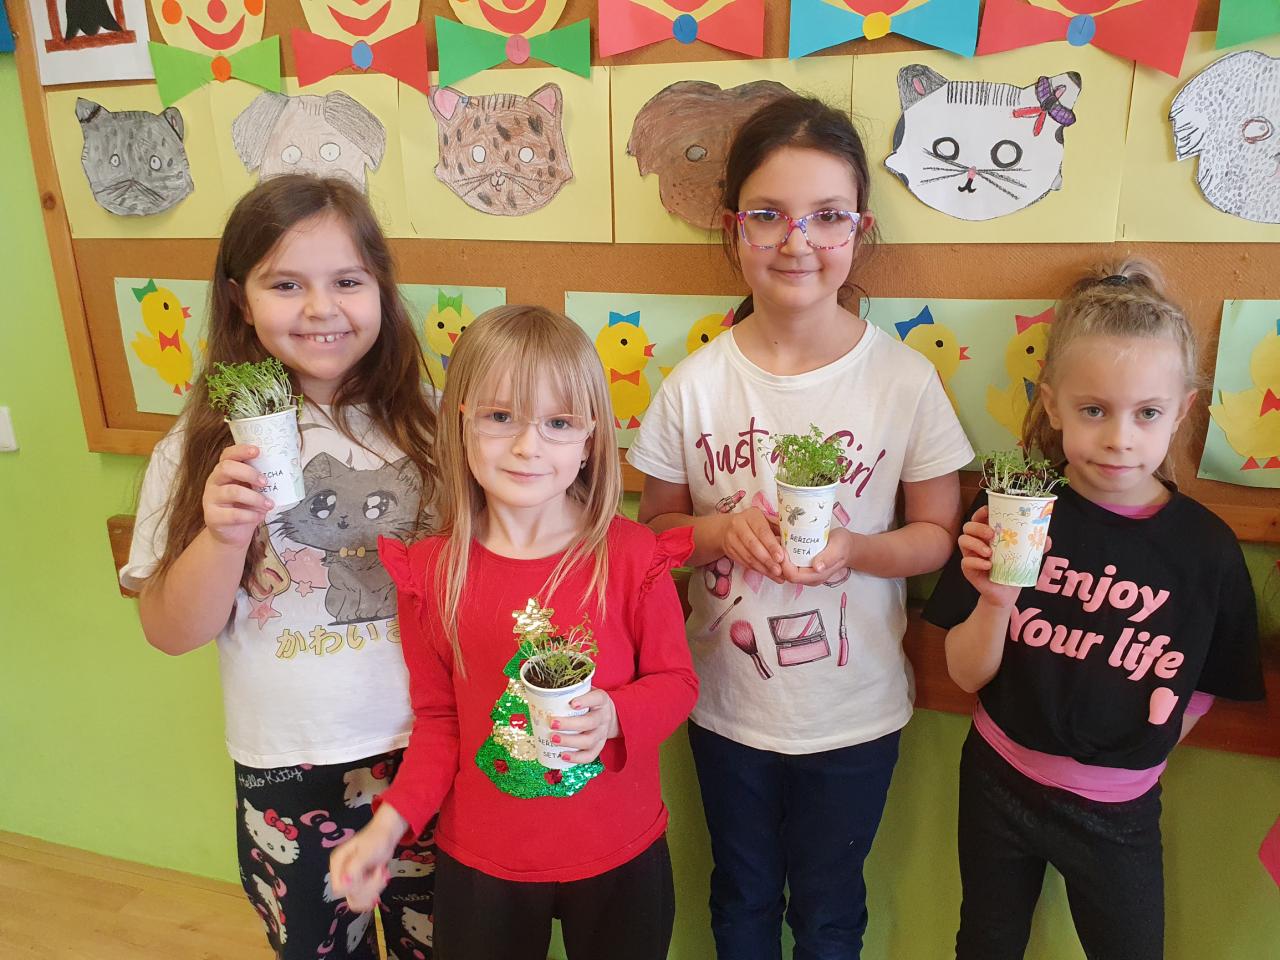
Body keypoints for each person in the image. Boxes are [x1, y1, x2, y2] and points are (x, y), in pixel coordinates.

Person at [628, 94, 973, 959]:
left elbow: (937, 535)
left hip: (854, 713)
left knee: (828, 910)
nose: (798, 240)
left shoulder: (903, 381)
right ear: (732, 227)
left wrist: (856, 548)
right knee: (741, 895)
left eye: (826, 215)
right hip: (726, 706)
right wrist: (718, 534)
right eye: (768, 215)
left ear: (859, 229)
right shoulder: (693, 386)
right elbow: (653, 530)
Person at [120, 175, 439, 959]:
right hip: (289, 765)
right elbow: (168, 631)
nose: (321, 308)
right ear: (239, 299)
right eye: (286, 284)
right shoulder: (199, 445)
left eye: (347, 281)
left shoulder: (432, 421)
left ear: (381, 287)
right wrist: (224, 536)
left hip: (434, 748)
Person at [330, 305, 699, 960]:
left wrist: (616, 714)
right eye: (501, 417)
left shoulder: (631, 556)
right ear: (462, 421)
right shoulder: (432, 574)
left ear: (590, 438)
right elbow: (440, 723)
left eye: (558, 423)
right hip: (483, 863)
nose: (529, 446)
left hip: (621, 853)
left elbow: (677, 682)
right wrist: (385, 830)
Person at [924, 261, 1265, 960]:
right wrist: (995, 601)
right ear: (1052, 405)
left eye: (1147, 413)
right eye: (1093, 410)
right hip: (996, 779)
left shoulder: (1205, 550)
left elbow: (1211, 676)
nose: (1119, 438)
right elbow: (963, 673)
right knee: (985, 942)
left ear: (1183, 411)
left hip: (1119, 809)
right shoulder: (1011, 512)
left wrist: (1141, 753)